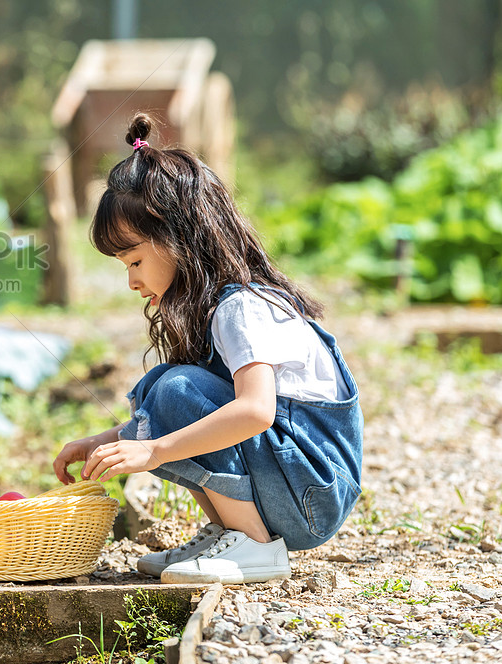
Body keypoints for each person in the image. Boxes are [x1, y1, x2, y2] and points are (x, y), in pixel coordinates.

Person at [52, 115, 363, 585]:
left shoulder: (243, 307)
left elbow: (257, 412)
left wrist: (152, 450)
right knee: (161, 388)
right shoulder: (217, 307)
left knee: (176, 390)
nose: (132, 280)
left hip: (313, 494)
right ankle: (228, 531)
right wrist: (103, 443)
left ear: (180, 238)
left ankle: (254, 544)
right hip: (295, 483)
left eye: (135, 260)